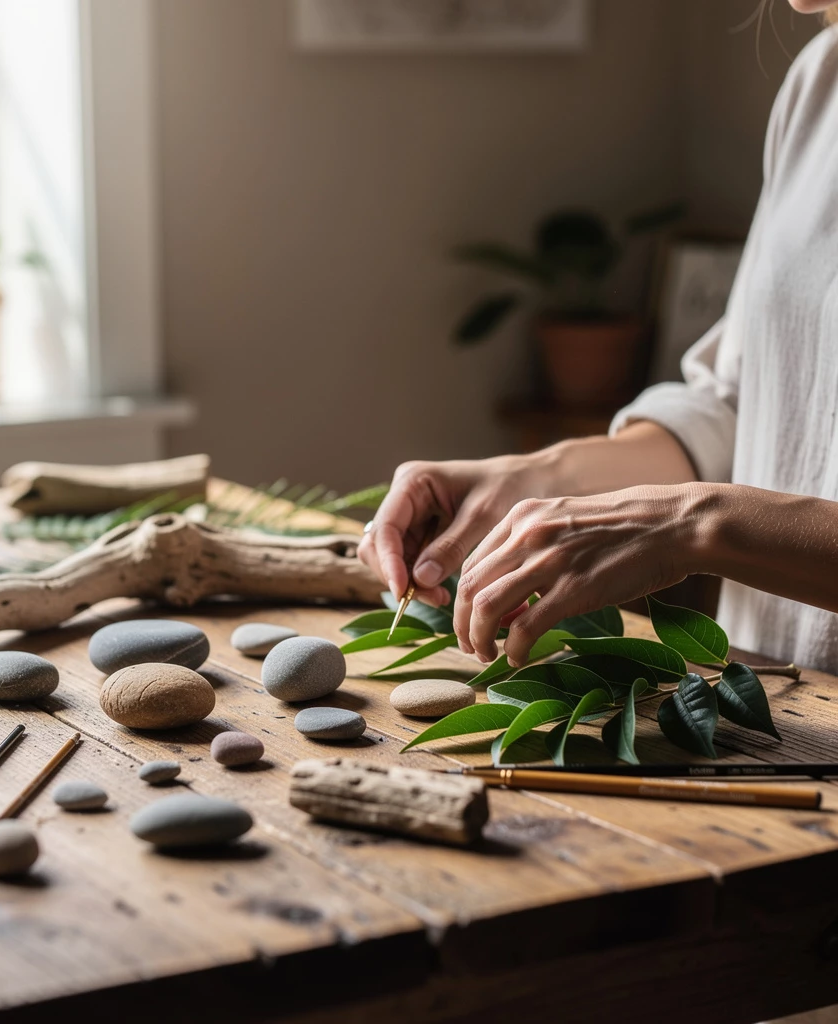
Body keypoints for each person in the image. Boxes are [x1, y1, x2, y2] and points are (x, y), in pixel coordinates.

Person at [359, 0, 838, 675]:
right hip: (788, 717)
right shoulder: (821, 82)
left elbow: (721, 497)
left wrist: (696, 525)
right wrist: (536, 478)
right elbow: (743, 410)